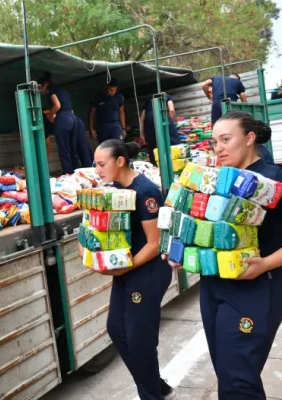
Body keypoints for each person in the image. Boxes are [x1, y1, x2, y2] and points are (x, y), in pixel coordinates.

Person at [164, 111, 282, 399]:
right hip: (214, 286)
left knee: (238, 382)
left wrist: (265, 263)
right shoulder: (212, 181)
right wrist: (183, 250)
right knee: (230, 375)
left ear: (250, 138)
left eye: (226, 139)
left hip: (258, 286)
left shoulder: (273, 177)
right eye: (215, 141)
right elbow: (204, 230)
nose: (219, 148)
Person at [88, 140, 175, 400]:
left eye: (102, 164)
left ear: (120, 161)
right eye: (96, 164)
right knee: (117, 329)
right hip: (127, 270)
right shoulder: (116, 189)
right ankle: (156, 385)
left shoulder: (145, 192)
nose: (97, 170)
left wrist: (124, 269)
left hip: (148, 271)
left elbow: (155, 242)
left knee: (140, 339)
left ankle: (152, 395)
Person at [38, 71, 92, 174]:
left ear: (45, 85)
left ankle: (69, 173)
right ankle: (78, 172)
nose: (41, 91)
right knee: (73, 148)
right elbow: (70, 110)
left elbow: (57, 105)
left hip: (63, 119)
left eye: (41, 88)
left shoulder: (52, 92)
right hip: (73, 118)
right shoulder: (62, 91)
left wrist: (50, 116)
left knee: (64, 149)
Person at [140, 93, 182, 165]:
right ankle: (177, 162)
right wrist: (171, 122)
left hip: (149, 120)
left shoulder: (148, 100)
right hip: (163, 116)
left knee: (153, 146)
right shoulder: (166, 96)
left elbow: (141, 119)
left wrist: (141, 135)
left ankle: (155, 166)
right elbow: (171, 110)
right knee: (174, 143)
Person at [90, 79, 126, 144]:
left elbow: (121, 112)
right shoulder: (98, 96)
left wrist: (123, 128)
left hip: (115, 125)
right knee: (105, 148)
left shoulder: (119, 97)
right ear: (106, 87)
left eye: (115, 90)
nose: (112, 92)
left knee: (118, 145)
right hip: (102, 126)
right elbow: (91, 114)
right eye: (111, 90)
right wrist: (91, 128)